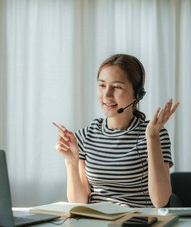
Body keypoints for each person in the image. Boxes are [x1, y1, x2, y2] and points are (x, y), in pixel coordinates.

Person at [55, 54, 179, 208]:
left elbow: (160, 201)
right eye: (102, 85)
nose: (106, 95)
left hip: (136, 222)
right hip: (96, 222)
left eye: (117, 87)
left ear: (138, 93)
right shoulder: (85, 136)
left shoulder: (155, 134)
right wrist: (71, 162)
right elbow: (78, 204)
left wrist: (152, 137)